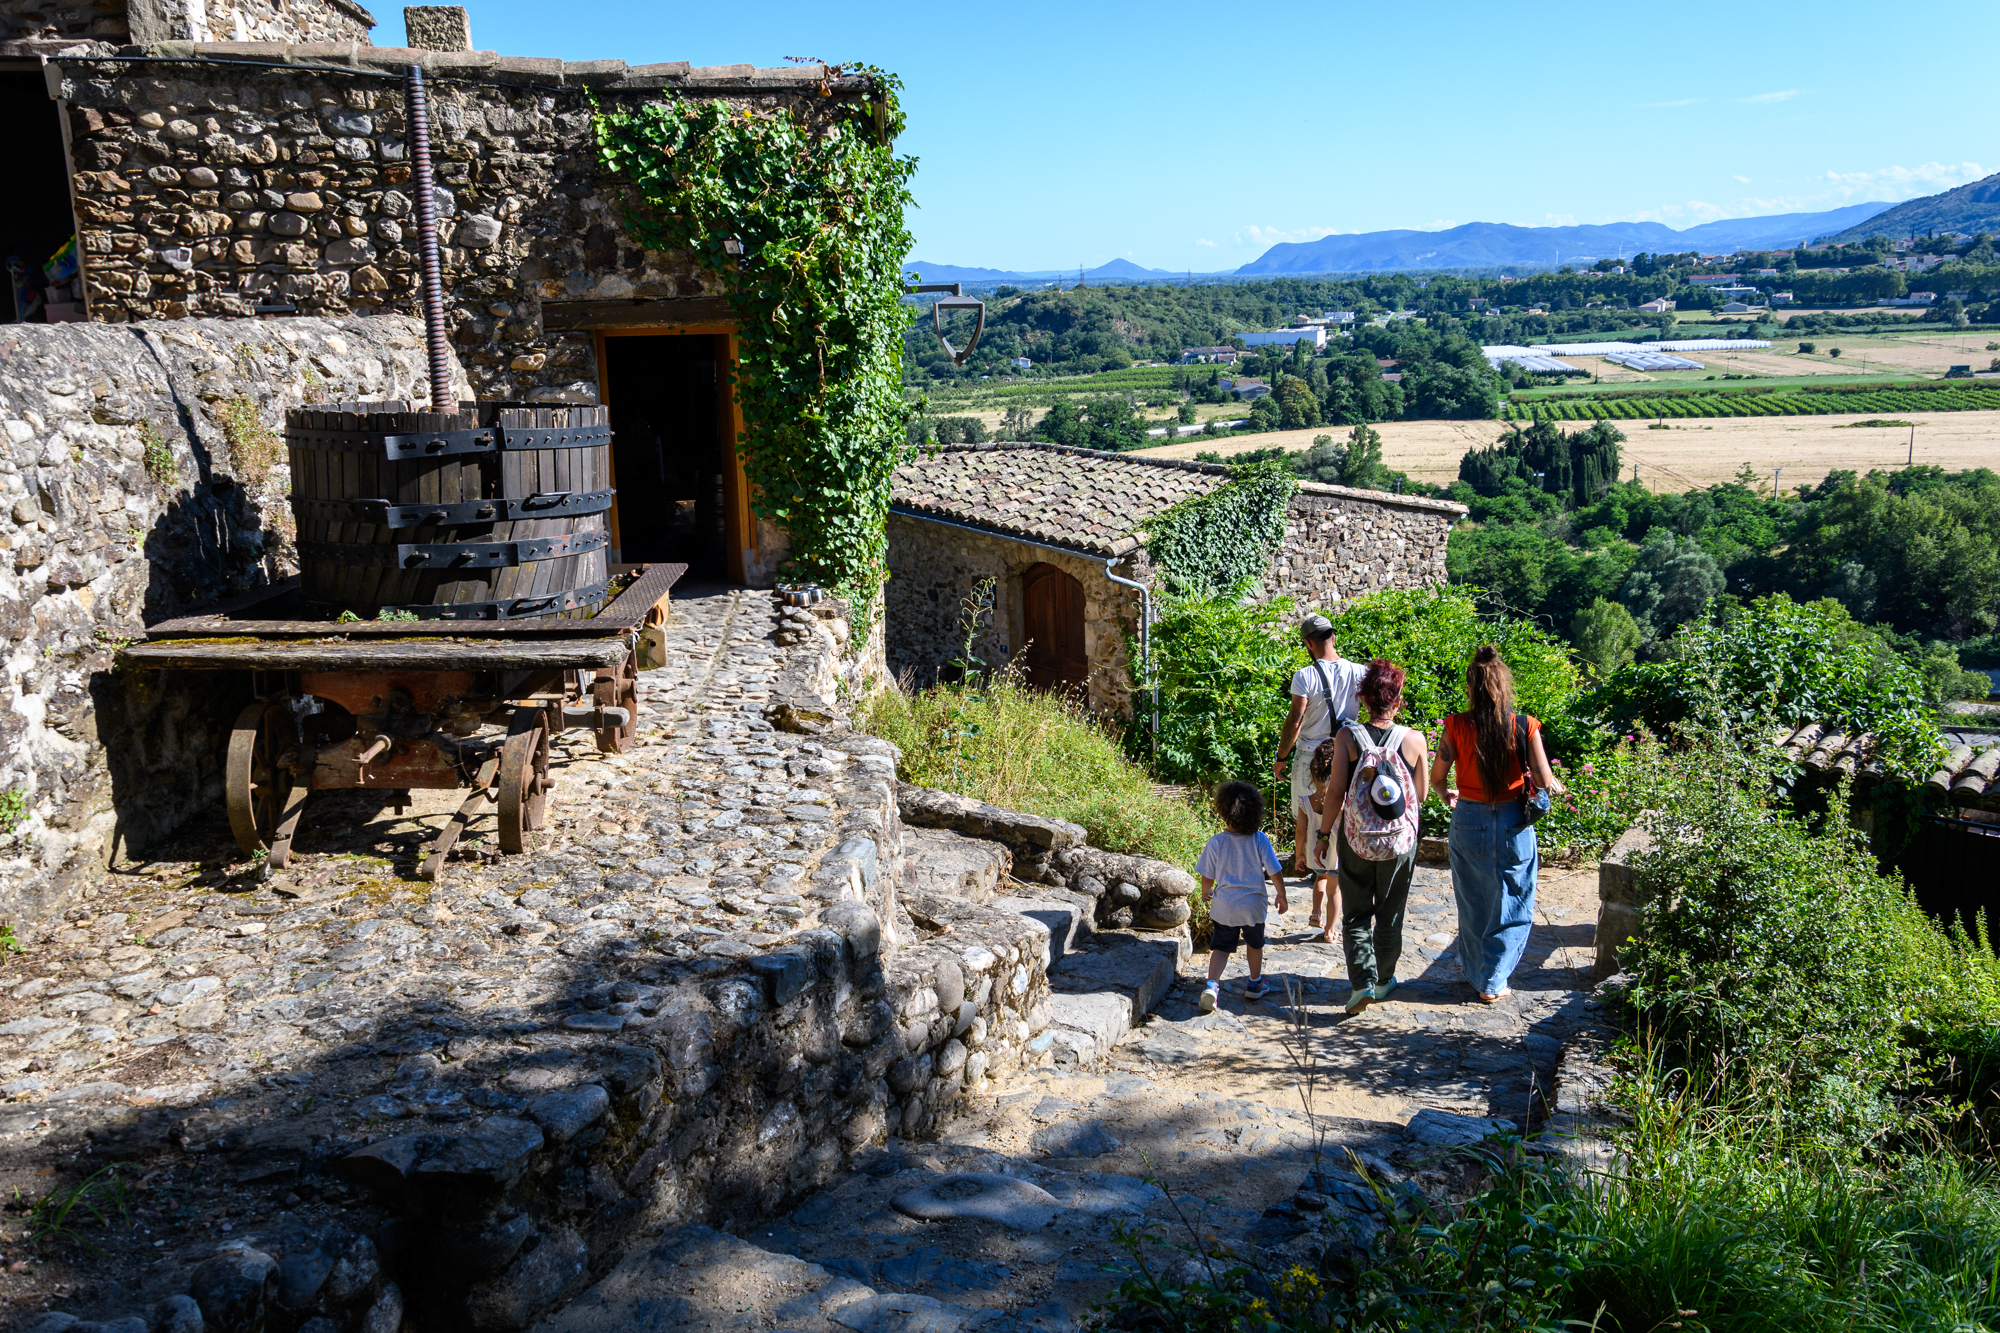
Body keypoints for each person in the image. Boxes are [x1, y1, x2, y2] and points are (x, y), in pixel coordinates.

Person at [1430, 645, 1566, 1004]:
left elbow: (1438, 778)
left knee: (1473, 899)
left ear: (1471, 688)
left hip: (1469, 817)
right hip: (1512, 821)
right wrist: (1549, 784)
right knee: (1514, 897)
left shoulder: (1455, 725)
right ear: (1504, 687)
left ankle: (1478, 973)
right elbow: (1542, 775)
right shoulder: (1525, 725)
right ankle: (1494, 979)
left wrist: (1448, 797)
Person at [1315, 659, 1427, 1014]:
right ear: (1397, 699)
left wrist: (1322, 835)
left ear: (1363, 699)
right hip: (1398, 844)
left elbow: (1335, 793)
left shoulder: (1347, 737)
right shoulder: (1414, 740)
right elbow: (1420, 795)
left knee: (1356, 914)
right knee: (1390, 915)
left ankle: (1361, 983)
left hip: (1356, 839)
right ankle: (1383, 980)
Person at [1271, 614, 1366, 931]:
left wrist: (1281, 756)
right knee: (1343, 813)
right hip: (1346, 753)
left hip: (1311, 756)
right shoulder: (1359, 672)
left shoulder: (1304, 676)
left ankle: (1313, 864)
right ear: (1333, 638)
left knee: (1306, 813)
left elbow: (1295, 718)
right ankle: (1340, 867)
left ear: (1308, 643)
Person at [1196, 779, 1289, 1012]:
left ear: (1224, 811)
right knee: (1254, 945)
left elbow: (1207, 875)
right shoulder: (1259, 839)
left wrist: (1205, 890)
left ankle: (1212, 986)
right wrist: (1281, 895)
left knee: (1220, 948)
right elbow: (1274, 870)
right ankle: (1255, 983)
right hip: (1253, 906)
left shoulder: (1217, 842)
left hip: (1224, 905)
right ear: (1255, 811)